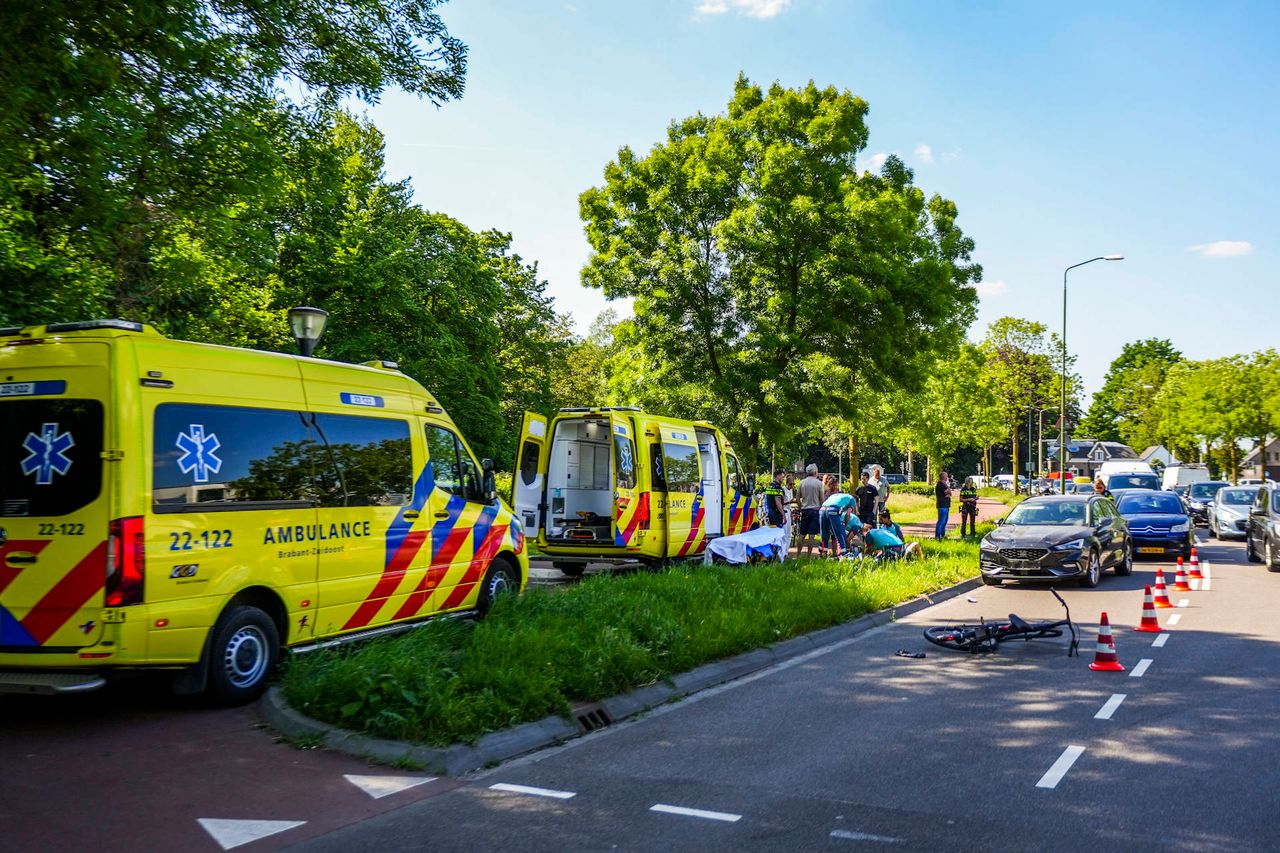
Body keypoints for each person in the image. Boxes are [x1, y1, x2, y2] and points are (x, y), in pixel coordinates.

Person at [820, 489, 857, 557]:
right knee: (840, 533)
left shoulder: (837, 496)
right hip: (833, 510)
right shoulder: (852, 499)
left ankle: (822, 553)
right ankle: (843, 554)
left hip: (822, 510)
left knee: (824, 533)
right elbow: (848, 514)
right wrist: (845, 525)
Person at [797, 464, 824, 557]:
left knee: (802, 533)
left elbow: (797, 498)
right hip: (815, 510)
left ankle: (798, 554)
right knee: (812, 535)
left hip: (805, 510)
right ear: (815, 472)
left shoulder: (802, 483)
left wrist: (801, 506)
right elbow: (822, 499)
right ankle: (808, 556)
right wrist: (820, 507)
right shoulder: (819, 483)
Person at [934, 470, 952, 540]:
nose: (947, 477)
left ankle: (942, 535)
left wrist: (949, 493)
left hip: (946, 505)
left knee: (945, 521)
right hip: (942, 505)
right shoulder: (940, 485)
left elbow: (949, 493)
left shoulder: (944, 484)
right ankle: (938, 535)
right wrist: (948, 492)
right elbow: (947, 493)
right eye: (946, 476)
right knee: (941, 521)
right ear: (943, 477)